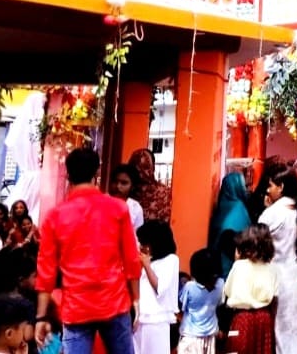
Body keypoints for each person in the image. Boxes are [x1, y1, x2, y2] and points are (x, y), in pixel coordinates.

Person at [34, 147, 141, 354]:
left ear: (68, 175)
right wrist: (136, 299)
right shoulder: (118, 208)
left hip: (76, 306)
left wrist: (41, 317)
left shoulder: (55, 216)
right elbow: (131, 259)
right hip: (114, 301)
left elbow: (45, 271)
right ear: (96, 174)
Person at [257, 163, 297, 354]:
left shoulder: (273, 213)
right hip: (295, 280)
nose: (268, 191)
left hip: (276, 280)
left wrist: (267, 210)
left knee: (278, 337)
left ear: (281, 187)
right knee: (293, 335)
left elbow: (258, 239)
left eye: (270, 186)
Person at [222, 225, 279, 354]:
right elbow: (275, 299)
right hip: (264, 319)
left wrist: (237, 261)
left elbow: (228, 291)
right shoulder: (272, 269)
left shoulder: (239, 267)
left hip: (243, 318)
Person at [135, 220, 180, 354]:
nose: (141, 247)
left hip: (157, 321)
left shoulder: (171, 260)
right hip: (140, 319)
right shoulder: (147, 260)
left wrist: (147, 266)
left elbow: (159, 287)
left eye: (144, 243)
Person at [179, 248, 224, 354]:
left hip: (190, 336)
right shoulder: (220, 284)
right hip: (210, 336)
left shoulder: (189, 287)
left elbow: (182, 306)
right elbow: (220, 303)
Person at [210, 173, 254, 278]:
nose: (244, 189)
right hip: (236, 262)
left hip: (218, 263)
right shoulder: (240, 208)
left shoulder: (221, 206)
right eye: (243, 186)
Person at [128, 149, 171, 223]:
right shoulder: (128, 190)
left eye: (145, 167)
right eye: (136, 169)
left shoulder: (163, 192)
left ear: (153, 167)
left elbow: (163, 224)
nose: (140, 173)